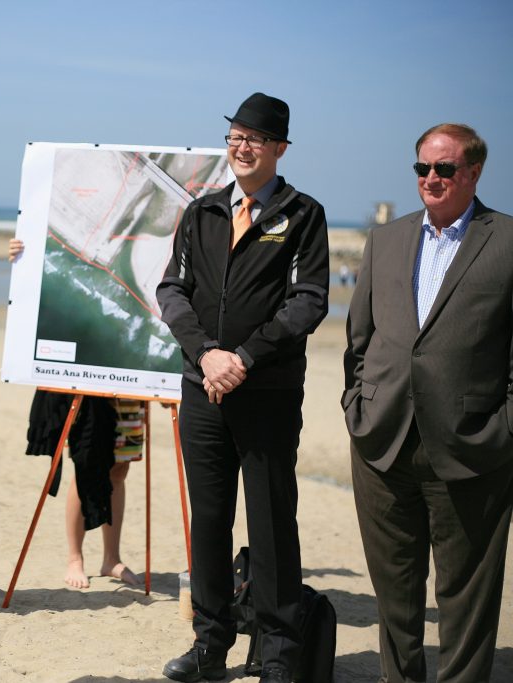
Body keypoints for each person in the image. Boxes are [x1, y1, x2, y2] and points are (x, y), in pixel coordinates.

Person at [155, 93, 329, 683]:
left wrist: (244, 360)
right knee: (208, 521)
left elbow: (308, 301)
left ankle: (279, 655)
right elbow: (171, 290)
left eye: (255, 138)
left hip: (268, 394)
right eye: (235, 136)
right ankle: (210, 646)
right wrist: (207, 355)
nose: (242, 146)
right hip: (202, 387)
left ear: (279, 148)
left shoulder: (303, 216)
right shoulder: (201, 211)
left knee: (272, 522)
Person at [343, 123, 513, 682]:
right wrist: (357, 409)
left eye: (444, 168)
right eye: (422, 169)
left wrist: (502, 428)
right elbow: (358, 341)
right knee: (395, 602)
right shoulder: (386, 240)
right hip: (382, 446)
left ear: (474, 172)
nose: (431, 178)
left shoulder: (507, 241)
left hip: (472, 451)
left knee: (466, 604)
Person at [10, 240, 140, 589]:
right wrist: (25, 256)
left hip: (130, 368)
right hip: (85, 371)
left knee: (119, 468)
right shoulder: (80, 238)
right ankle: (75, 556)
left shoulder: (134, 243)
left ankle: (111, 558)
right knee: (86, 461)